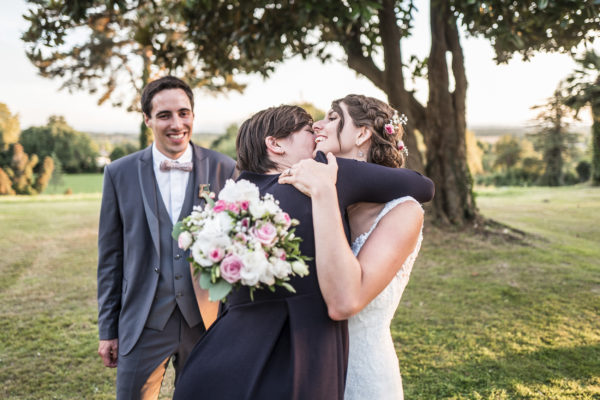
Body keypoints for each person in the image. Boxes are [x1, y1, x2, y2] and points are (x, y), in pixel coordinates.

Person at [173, 105, 434, 399]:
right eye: (309, 130)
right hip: (297, 364)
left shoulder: (234, 203)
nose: (319, 131)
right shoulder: (324, 173)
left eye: (329, 121)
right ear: (275, 144)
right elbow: (422, 185)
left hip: (216, 361)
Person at [97, 76, 237, 400]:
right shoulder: (119, 173)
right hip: (143, 323)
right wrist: (108, 330)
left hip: (206, 322)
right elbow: (110, 259)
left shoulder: (224, 168)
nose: (177, 124)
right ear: (147, 119)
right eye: (164, 115)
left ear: (192, 115)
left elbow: (235, 251)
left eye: (183, 113)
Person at [279, 94, 425, 399]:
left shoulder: (404, 211)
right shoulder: (312, 196)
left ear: (362, 133)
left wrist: (323, 193)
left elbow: (345, 302)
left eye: (333, 117)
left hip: (362, 375)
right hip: (305, 372)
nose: (318, 125)